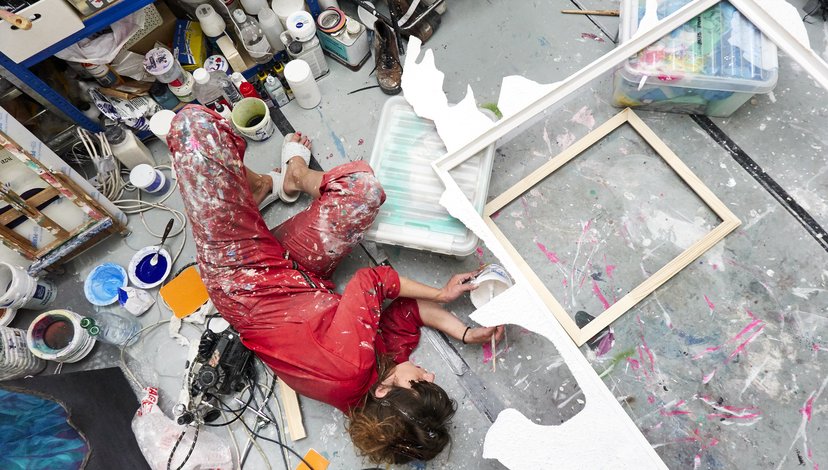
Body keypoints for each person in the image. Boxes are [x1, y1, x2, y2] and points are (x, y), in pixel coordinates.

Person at [168, 106, 504, 464]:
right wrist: (465, 333)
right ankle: (288, 177)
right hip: (299, 280)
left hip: (243, 280)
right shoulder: (369, 387)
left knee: (193, 126)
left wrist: (439, 292)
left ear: (384, 392)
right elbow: (408, 314)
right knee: (363, 192)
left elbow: (371, 279)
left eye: (420, 382)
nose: (429, 373)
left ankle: (254, 191)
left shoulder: (354, 367)